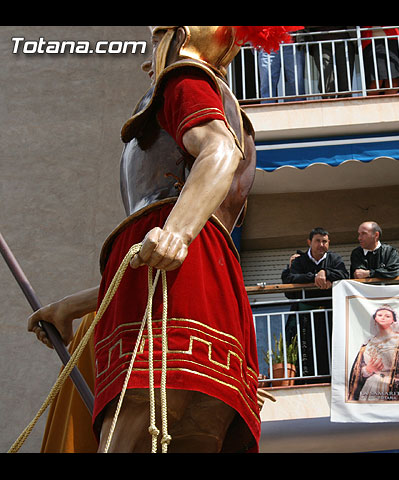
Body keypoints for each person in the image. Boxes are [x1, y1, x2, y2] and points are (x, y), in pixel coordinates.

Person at [26, 26, 298, 453]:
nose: (148, 56)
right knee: (196, 435)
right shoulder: (229, 106)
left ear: (179, 36)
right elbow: (147, 264)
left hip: (179, 273)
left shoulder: (183, 80)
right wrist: (71, 307)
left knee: (132, 419)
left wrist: (177, 229)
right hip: (209, 281)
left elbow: (217, 153)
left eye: (156, 39)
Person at [281, 227, 348, 383]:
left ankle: (334, 380)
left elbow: (344, 275)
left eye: (324, 241)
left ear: (329, 243)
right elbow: (291, 279)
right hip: (304, 316)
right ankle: (304, 381)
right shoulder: (299, 260)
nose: (321, 245)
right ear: (309, 242)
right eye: (317, 241)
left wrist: (326, 272)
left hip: (329, 315)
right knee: (304, 351)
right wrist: (315, 278)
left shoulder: (335, 259)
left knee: (330, 349)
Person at [348, 305, 399, 401]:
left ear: (393, 320)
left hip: (398, 388)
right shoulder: (367, 345)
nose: (383, 318)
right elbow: (357, 372)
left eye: (387, 316)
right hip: (372, 388)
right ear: (375, 319)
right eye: (380, 315)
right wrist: (368, 369)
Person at [299, 26, 357, 98]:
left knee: (344, 81)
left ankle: (344, 105)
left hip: (344, 40)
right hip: (320, 42)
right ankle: (328, 103)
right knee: (326, 78)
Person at [360, 26, 399, 95]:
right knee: (375, 80)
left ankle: (390, 104)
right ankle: (373, 105)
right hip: (371, 41)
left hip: (392, 39)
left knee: (394, 78)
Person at [257, 32, 306, 103]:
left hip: (291, 38)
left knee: (297, 83)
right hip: (268, 39)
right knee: (267, 82)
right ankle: (268, 111)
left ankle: (299, 110)